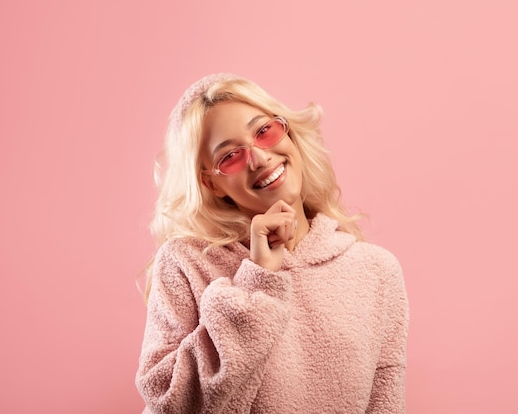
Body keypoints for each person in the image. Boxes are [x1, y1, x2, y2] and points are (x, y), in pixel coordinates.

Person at [135, 73, 409, 414]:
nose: (260, 158)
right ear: (212, 184)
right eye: (231, 156)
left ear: (288, 133)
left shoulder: (375, 271)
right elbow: (166, 402)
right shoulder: (185, 263)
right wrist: (258, 280)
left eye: (264, 132)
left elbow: (385, 404)